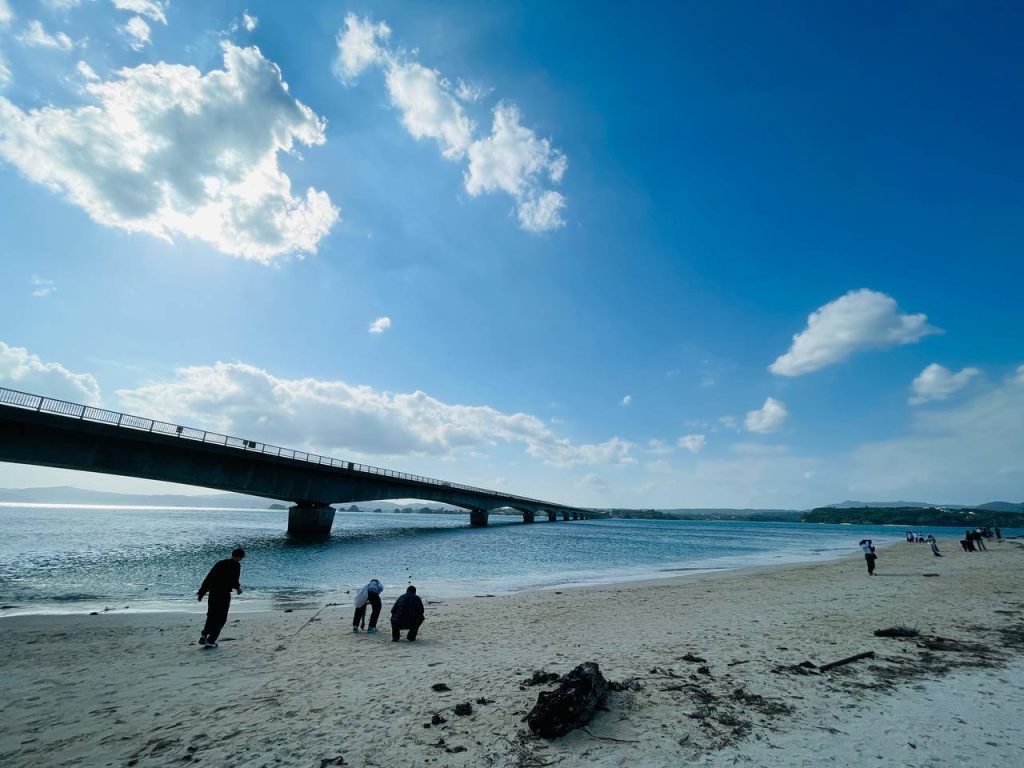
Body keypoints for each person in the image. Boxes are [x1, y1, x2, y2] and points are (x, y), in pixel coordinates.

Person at [197, 548, 245, 648]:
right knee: (221, 618)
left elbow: (209, 577)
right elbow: (234, 579)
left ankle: (204, 634)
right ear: (240, 557)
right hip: (224, 593)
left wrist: (201, 592)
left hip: (213, 593)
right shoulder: (236, 564)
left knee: (211, 614)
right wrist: (238, 588)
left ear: (232, 554)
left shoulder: (220, 563)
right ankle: (211, 640)